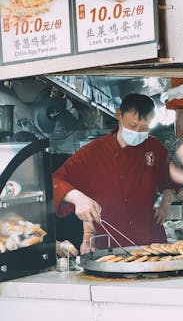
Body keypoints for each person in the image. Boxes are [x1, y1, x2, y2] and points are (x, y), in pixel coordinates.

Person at [52, 93, 174, 251]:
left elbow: (171, 180)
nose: (137, 132)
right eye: (132, 125)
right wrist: (77, 198)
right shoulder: (92, 152)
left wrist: (165, 204)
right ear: (119, 115)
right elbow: (55, 181)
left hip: (151, 240)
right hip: (108, 244)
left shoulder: (154, 148)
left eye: (144, 128)